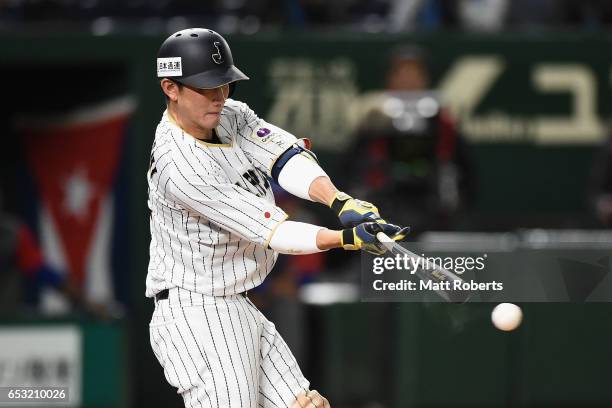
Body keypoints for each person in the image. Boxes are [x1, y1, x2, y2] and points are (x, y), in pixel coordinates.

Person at [146, 28, 408, 408]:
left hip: (236, 303)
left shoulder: (229, 114)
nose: (219, 97)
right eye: (206, 88)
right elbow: (277, 232)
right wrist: (346, 238)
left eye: (223, 85)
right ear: (171, 88)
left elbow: (283, 158)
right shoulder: (181, 166)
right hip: (195, 311)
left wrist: (340, 202)